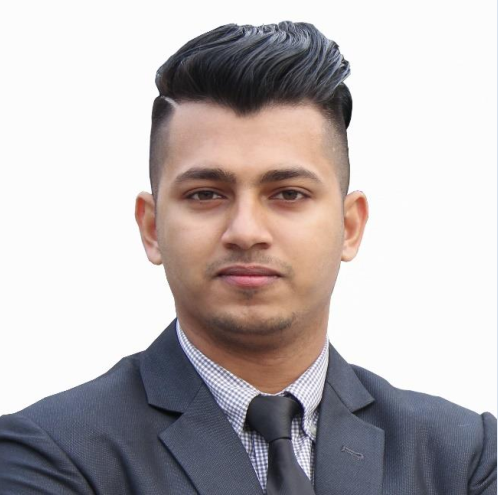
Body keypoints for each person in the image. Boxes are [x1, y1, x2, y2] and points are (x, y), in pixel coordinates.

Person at [0, 21, 495, 495]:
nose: (246, 232)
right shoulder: (49, 454)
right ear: (152, 228)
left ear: (350, 226)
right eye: (205, 194)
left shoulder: (463, 457)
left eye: (288, 194)